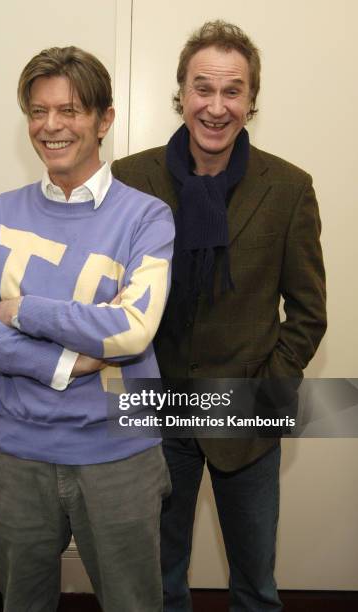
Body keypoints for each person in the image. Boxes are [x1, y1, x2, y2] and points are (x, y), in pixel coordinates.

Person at [0, 45, 174, 612]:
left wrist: (22, 311)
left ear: (104, 119)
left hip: (120, 454)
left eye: (70, 110)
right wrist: (67, 362)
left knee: (134, 604)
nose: (51, 126)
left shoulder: (147, 217)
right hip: (13, 455)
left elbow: (130, 332)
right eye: (38, 111)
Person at [111, 20, 327, 612]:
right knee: (159, 582)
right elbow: (109, 296)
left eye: (232, 91)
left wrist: (268, 390)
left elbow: (308, 313)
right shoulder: (131, 180)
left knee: (256, 586)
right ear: (180, 93)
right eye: (202, 88)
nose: (215, 106)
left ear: (251, 102)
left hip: (248, 413)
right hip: (156, 411)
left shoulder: (288, 188)